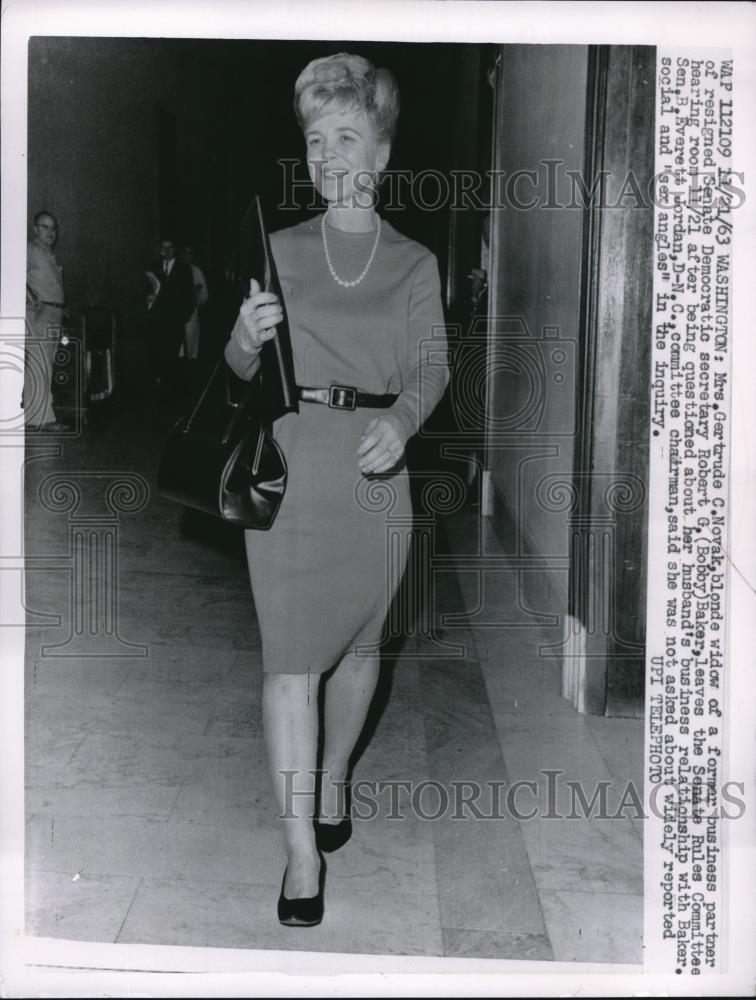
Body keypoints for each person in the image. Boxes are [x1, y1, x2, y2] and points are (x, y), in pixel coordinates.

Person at [224, 53, 449, 926]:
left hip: (372, 475)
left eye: (345, 136)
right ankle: (300, 855)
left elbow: (430, 367)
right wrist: (244, 340)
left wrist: (402, 423)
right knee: (288, 666)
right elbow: (239, 373)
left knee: (359, 653)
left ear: (382, 152)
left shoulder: (412, 264)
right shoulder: (276, 251)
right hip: (288, 477)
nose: (326, 156)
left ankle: (333, 779)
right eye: (315, 140)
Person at [23, 210, 68, 431]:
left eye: (53, 228)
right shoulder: (30, 251)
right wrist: (31, 298)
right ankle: (44, 419)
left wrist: (61, 307)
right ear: (35, 229)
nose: (50, 232)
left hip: (54, 313)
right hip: (40, 315)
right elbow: (12, 274)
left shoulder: (49, 255)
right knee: (40, 364)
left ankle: (34, 418)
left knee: (43, 364)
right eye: (45, 227)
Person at [145, 236, 194, 387]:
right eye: (163, 248)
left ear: (174, 249)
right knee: (156, 354)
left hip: (174, 322)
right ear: (159, 249)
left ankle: (170, 389)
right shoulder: (152, 267)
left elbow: (189, 297)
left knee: (172, 357)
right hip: (156, 321)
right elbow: (144, 290)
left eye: (170, 247)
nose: (166, 251)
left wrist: (182, 318)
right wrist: (147, 297)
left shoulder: (184, 269)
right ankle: (157, 385)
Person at [178, 244, 208, 361]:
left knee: (191, 345)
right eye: (184, 253)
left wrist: (195, 296)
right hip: (177, 314)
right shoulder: (175, 269)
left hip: (191, 313)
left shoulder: (197, 271)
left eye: (189, 254)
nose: (186, 256)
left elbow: (204, 295)